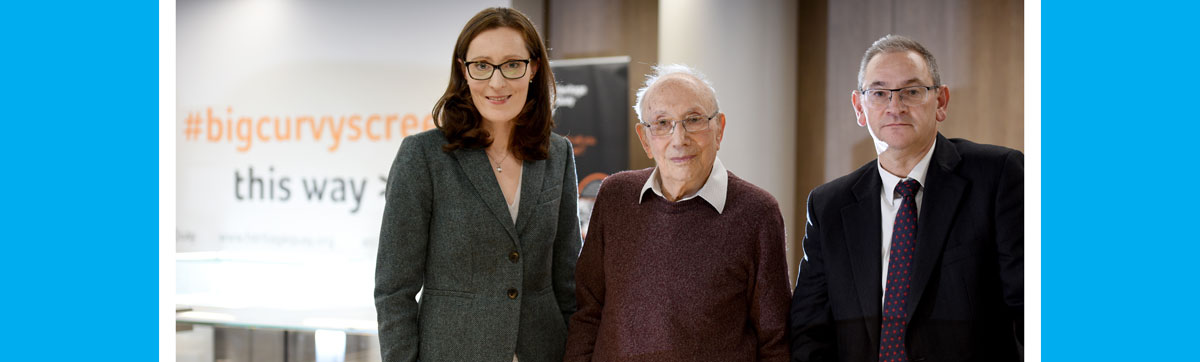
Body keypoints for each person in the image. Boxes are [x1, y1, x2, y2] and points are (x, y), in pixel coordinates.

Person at [789, 35, 1023, 362]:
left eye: (912, 92)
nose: (895, 107)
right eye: (880, 93)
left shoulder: (998, 175)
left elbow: (1029, 307)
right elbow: (809, 330)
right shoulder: (829, 206)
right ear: (860, 107)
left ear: (941, 102)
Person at [374, 7, 581, 362]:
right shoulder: (423, 156)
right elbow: (394, 290)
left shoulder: (557, 154)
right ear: (463, 70)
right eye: (482, 65)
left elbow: (567, 281)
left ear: (532, 69)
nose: (497, 83)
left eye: (512, 64)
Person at [564, 64, 791, 362]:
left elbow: (775, 340)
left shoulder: (757, 212)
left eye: (693, 120)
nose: (679, 138)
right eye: (661, 123)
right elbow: (587, 313)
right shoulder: (615, 196)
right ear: (645, 139)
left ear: (719, 128)